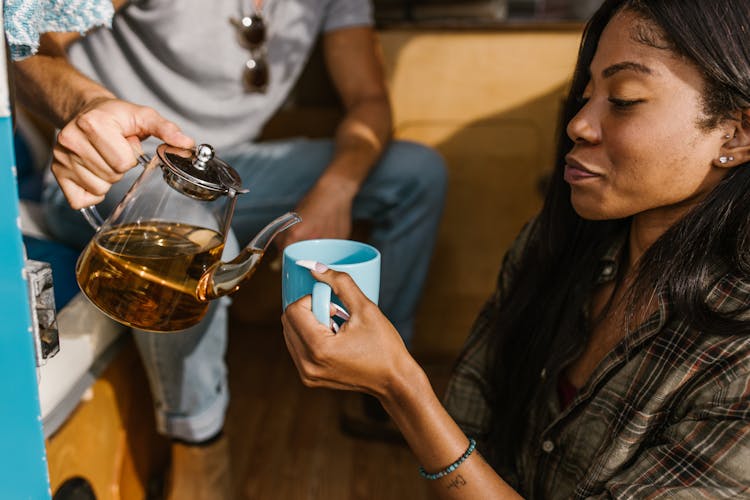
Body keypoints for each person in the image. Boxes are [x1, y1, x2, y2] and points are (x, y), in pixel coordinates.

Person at [281, 0, 750, 497]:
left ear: (737, 134)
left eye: (625, 98)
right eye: (586, 94)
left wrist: (400, 387)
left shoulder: (738, 360)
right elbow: (471, 424)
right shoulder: (551, 245)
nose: (579, 125)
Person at [12, 0, 447, 497]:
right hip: (123, 167)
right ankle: (199, 450)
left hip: (233, 167)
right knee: (206, 243)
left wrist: (336, 188)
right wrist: (85, 106)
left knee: (418, 175)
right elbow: (26, 46)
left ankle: (383, 378)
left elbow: (369, 100)